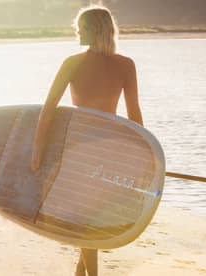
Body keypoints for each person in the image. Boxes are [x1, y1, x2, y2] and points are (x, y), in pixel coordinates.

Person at [30, 5, 143, 276]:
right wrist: (140, 154)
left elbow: (48, 111)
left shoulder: (76, 63)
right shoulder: (123, 64)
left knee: (88, 215)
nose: (77, 31)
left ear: (96, 30)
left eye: (82, 27)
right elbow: (134, 116)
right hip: (105, 148)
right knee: (87, 215)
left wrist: (38, 150)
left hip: (80, 147)